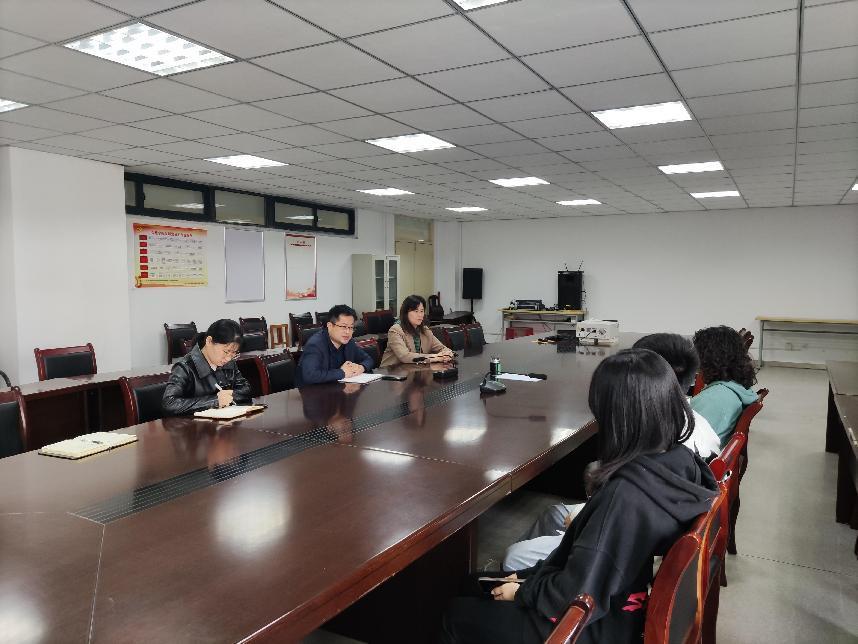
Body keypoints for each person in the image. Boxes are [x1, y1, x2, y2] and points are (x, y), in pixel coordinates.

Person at [439, 349, 719, 644]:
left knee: (456, 614)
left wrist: (524, 590)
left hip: (588, 625)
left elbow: (574, 593)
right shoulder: (681, 462)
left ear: (615, 417)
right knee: (473, 584)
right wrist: (530, 578)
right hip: (621, 605)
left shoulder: (624, 497)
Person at [501, 332, 722, 572]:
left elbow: (624, 513)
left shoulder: (648, 459)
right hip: (646, 526)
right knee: (552, 514)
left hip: (624, 549)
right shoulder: (685, 432)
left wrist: (585, 515)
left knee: (514, 557)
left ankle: (518, 580)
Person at [162, 319, 252, 415]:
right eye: (226, 352)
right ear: (209, 341)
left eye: (233, 353)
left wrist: (228, 397)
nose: (228, 358)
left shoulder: (229, 362)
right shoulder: (184, 367)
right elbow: (169, 403)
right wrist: (215, 401)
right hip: (193, 423)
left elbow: (245, 389)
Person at [691, 326, 758, 449]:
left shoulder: (713, 399)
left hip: (695, 457)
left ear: (708, 359)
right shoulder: (735, 388)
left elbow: (686, 443)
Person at [295, 304, 374, 386]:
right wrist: (342, 373)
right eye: (343, 326)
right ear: (330, 326)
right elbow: (310, 376)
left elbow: (368, 359)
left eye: (351, 327)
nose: (348, 332)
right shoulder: (315, 345)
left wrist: (361, 368)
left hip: (338, 388)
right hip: (312, 391)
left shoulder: (348, 342)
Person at [380, 294, 454, 368]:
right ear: (406, 313)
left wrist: (447, 354)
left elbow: (442, 348)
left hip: (415, 370)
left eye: (422, 311)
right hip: (392, 372)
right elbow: (405, 356)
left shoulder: (425, 330)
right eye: (416, 311)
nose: (420, 315)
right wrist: (435, 357)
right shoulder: (395, 330)